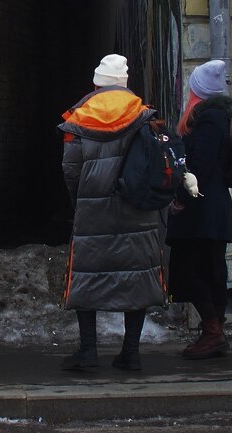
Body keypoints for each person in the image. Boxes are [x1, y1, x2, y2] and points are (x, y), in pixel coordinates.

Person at [58, 53, 166, 372]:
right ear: (124, 84)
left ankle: (88, 352)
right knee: (138, 275)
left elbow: (70, 169)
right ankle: (130, 352)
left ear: (96, 84)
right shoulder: (146, 116)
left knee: (88, 276)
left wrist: (82, 204)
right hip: (138, 209)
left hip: (94, 210)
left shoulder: (79, 117)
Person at [166, 58, 232, 360]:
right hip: (215, 208)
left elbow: (196, 167)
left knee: (190, 271)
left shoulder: (207, 121)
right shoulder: (225, 119)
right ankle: (214, 330)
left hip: (200, 210)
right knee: (211, 270)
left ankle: (213, 332)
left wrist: (180, 199)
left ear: (197, 92)